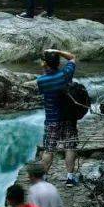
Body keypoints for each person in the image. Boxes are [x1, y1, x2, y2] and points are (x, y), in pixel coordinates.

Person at [36, 49, 81, 185]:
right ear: (57, 62)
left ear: (45, 64)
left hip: (51, 120)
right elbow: (72, 57)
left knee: (49, 149)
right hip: (69, 117)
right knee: (70, 146)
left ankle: (43, 178)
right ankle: (69, 178)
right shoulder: (65, 74)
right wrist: (57, 51)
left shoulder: (41, 81)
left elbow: (44, 88)